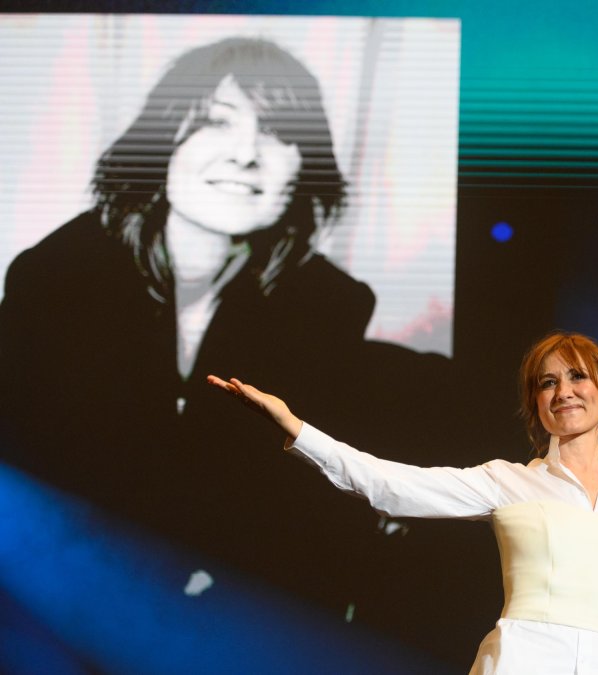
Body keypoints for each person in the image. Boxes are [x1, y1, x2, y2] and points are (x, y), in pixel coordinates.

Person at [0, 36, 446, 614]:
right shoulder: (56, 276)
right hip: (54, 589)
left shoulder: (329, 305)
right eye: (214, 122)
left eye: (279, 133)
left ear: (305, 167)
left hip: (226, 605)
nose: (246, 154)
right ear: (162, 142)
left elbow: (288, 497)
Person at [208, 331, 598, 674]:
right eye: (547, 382)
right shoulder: (508, 481)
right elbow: (388, 486)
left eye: (578, 377)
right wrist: (297, 429)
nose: (564, 392)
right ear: (537, 404)